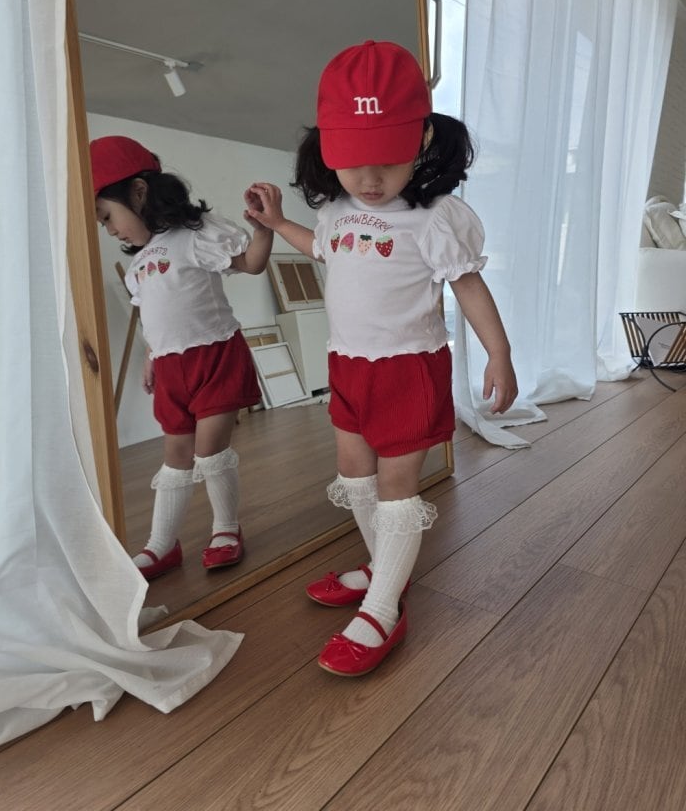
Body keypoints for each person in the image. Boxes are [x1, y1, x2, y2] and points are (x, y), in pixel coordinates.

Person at [245, 40, 517, 676]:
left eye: (388, 163)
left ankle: (383, 607)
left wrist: (499, 353)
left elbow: (468, 286)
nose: (369, 181)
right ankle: (382, 566)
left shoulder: (434, 217)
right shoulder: (338, 211)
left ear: (421, 140)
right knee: (354, 475)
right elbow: (322, 249)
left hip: (407, 368)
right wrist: (278, 224)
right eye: (352, 164)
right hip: (347, 366)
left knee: (397, 488)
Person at [90, 135, 273, 581]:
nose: (109, 230)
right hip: (172, 369)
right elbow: (155, 316)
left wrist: (266, 228)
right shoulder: (139, 264)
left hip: (215, 357)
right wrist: (152, 356)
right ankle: (161, 545)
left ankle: (226, 529)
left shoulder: (195, 234)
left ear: (138, 192)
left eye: (107, 216)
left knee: (209, 451)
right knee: (175, 453)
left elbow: (250, 263)